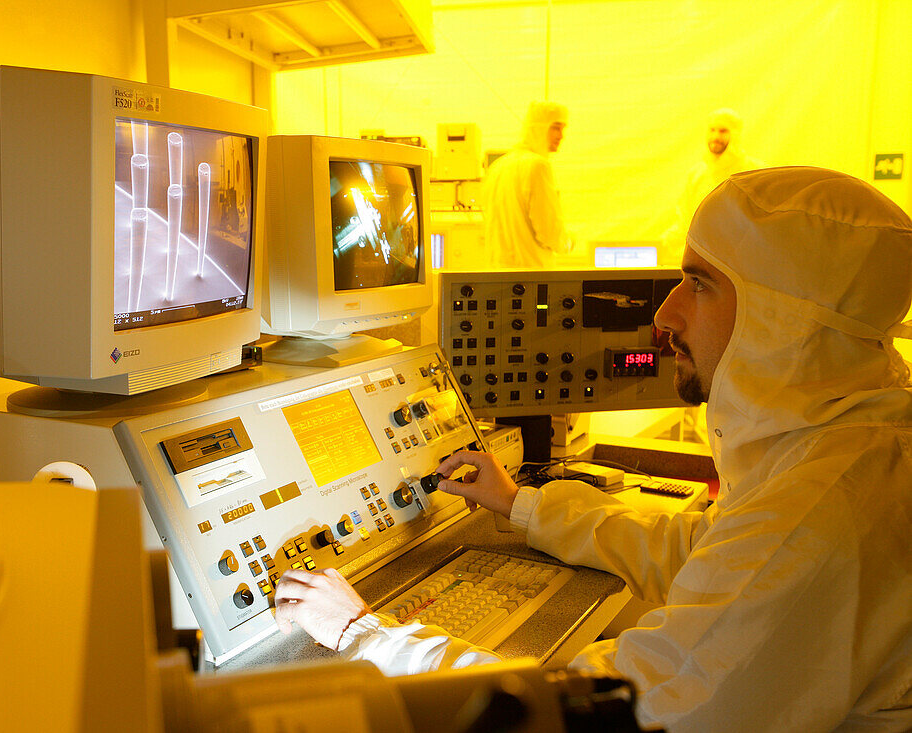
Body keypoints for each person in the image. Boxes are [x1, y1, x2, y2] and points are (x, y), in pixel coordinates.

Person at [274, 167, 912, 731]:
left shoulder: (824, 508)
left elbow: (608, 713)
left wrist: (366, 637)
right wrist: (522, 505)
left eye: (699, 283)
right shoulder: (842, 447)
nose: (665, 314)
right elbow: (707, 554)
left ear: (784, 318)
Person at [662, 108, 765, 263]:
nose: (716, 137)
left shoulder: (755, 172)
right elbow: (685, 221)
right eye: (712, 130)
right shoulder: (696, 175)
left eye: (723, 131)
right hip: (703, 262)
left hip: (745, 263)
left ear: (735, 134)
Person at [482, 101, 573, 268]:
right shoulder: (537, 166)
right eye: (556, 128)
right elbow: (549, 232)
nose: (561, 136)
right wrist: (568, 243)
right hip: (531, 274)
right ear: (539, 127)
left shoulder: (497, 166)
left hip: (497, 272)